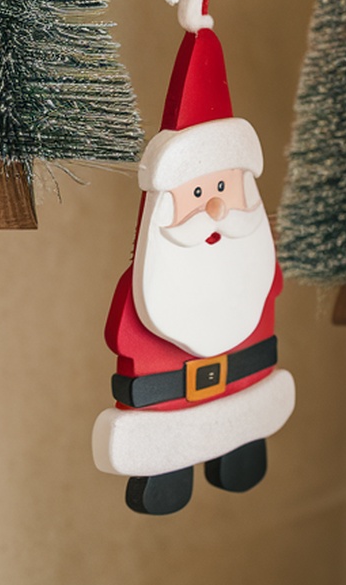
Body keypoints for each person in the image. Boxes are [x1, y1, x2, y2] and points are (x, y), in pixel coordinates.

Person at [92, 30, 296, 515]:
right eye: (200, 194)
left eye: (225, 186)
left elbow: (270, 287)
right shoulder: (150, 288)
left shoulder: (256, 266)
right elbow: (123, 335)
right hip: (165, 398)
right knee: (166, 467)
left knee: (242, 436)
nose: (220, 205)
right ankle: (167, 475)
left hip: (247, 376)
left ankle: (240, 448)